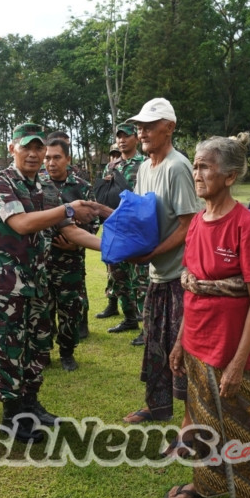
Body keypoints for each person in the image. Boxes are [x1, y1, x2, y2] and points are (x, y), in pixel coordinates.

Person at [164, 134, 250, 498]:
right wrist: (179, 343)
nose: (196, 173)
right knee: (202, 423)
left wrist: (238, 363)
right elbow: (191, 289)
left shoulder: (246, 226)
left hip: (228, 352)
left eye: (205, 166)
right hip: (194, 344)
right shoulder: (196, 224)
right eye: (195, 165)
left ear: (229, 176)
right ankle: (205, 484)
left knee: (239, 434)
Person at [0, 123, 100, 443]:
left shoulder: (45, 189)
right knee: (10, 348)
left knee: (38, 344)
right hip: (7, 283)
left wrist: (112, 248)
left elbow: (67, 227)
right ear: (12, 149)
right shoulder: (0, 182)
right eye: (27, 148)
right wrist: (69, 208)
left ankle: (31, 404)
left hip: (38, 280)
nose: (34, 154)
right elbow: (20, 223)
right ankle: (11, 417)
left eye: (39, 149)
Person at [120, 98, 200, 424]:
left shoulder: (177, 167)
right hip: (157, 274)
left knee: (180, 347)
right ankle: (156, 406)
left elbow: (188, 224)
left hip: (179, 274)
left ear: (169, 127)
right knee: (155, 341)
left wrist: (151, 253)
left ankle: (188, 417)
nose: (142, 132)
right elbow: (140, 216)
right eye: (139, 126)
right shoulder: (144, 167)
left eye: (150, 126)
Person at [42, 138, 98, 371]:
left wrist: (74, 245)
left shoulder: (82, 186)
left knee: (70, 308)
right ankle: (43, 352)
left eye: (56, 157)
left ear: (68, 159)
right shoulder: (38, 185)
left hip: (71, 260)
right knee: (43, 309)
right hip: (43, 259)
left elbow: (94, 221)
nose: (51, 163)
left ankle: (67, 352)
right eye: (47, 158)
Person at [96, 123, 149, 343]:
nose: (122, 140)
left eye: (126, 136)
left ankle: (147, 328)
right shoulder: (111, 166)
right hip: (114, 227)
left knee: (140, 280)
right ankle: (128, 318)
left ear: (135, 139)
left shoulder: (145, 164)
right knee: (118, 276)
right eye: (119, 137)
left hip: (135, 228)